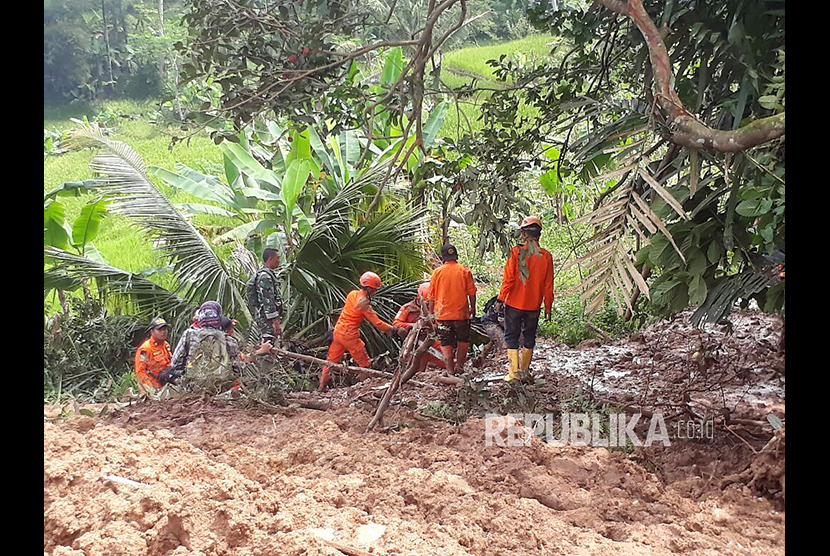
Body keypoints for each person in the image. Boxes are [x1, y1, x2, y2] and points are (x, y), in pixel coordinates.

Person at [320, 271, 407, 391]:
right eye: (375, 289)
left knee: (330, 363)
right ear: (370, 289)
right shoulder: (364, 304)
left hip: (338, 332)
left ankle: (321, 387)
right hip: (350, 336)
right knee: (365, 364)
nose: (375, 292)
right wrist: (395, 329)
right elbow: (378, 324)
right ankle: (364, 389)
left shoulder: (352, 294)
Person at [496, 216, 554, 381]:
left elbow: (508, 279)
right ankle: (525, 371)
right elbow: (548, 286)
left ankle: (514, 374)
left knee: (512, 337)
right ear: (539, 234)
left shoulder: (516, 252)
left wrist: (500, 300)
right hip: (534, 305)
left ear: (523, 234)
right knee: (529, 337)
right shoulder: (546, 256)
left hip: (514, 303)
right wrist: (548, 307)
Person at [171, 301, 270, 395]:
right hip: (220, 389)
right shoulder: (230, 341)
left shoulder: (189, 335)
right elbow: (238, 369)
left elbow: (175, 362)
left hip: (193, 387)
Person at [426, 244, 477, 375]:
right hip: (461, 314)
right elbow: (472, 293)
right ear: (456, 256)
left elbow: (431, 296)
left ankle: (449, 370)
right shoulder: (464, 271)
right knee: (463, 340)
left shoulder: (437, 272)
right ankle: (459, 366)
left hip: (442, 315)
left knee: (445, 341)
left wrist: (432, 315)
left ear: (443, 257)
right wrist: (473, 308)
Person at [393, 282, 445, 372]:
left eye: (429, 301)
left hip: (429, 337)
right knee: (415, 363)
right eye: (425, 301)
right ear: (419, 297)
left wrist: (433, 326)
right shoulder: (407, 308)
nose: (428, 303)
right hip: (413, 339)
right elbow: (396, 323)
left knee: (444, 359)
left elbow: (439, 324)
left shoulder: (434, 307)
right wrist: (412, 326)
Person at [248, 248, 284, 342]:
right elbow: (268, 301)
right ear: (270, 258)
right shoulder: (265, 276)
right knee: (268, 343)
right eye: (277, 258)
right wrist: (275, 322)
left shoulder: (267, 274)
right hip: (267, 319)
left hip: (266, 318)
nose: (279, 261)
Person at [134, 317, 173, 394]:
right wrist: (150, 389)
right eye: (160, 330)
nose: (163, 332)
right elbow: (140, 371)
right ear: (152, 331)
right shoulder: (145, 349)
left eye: (165, 329)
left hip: (168, 385)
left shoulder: (166, 345)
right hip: (155, 388)